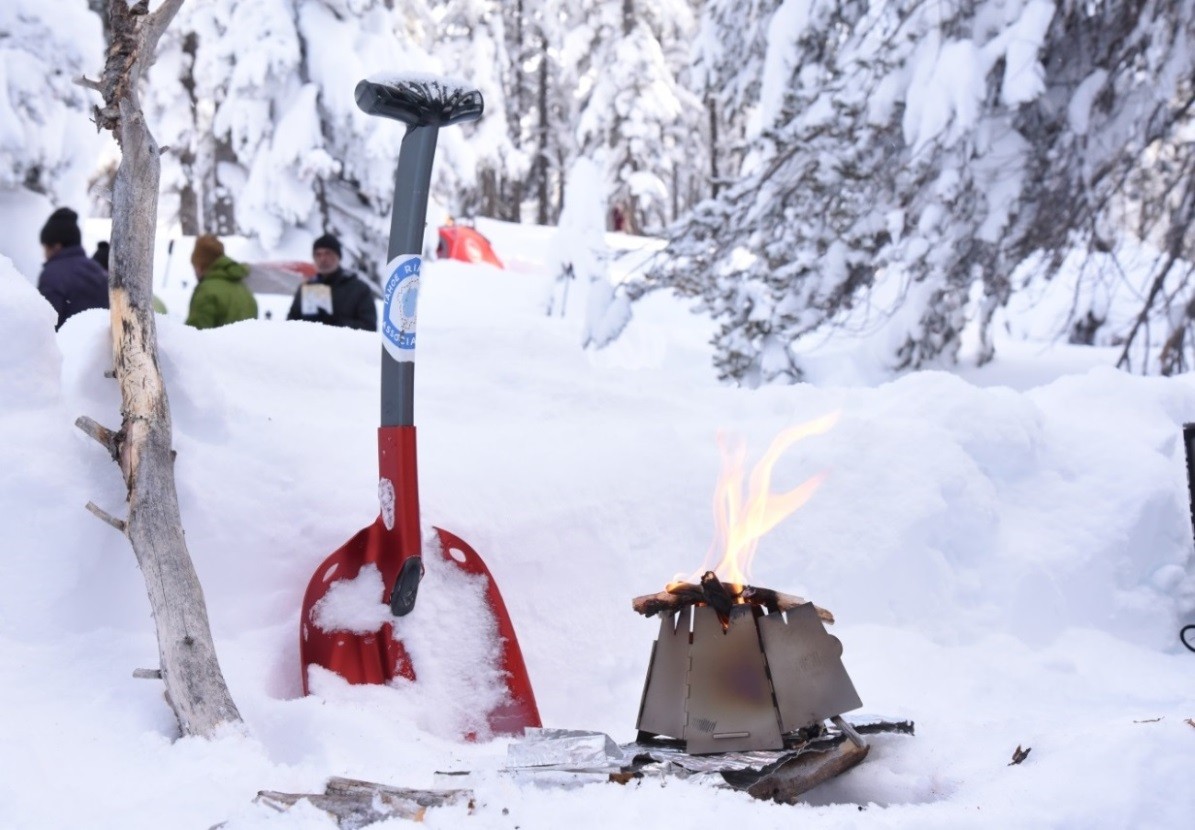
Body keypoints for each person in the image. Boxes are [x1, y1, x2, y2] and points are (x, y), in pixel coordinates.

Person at [36, 207, 109, 329]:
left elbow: (44, 326)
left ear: (56, 246)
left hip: (65, 346)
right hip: (98, 346)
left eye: (46, 247)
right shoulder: (98, 270)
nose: (44, 254)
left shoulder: (53, 275)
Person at [286, 233, 377, 330]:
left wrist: (334, 323)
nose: (323, 259)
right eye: (318, 254)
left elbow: (369, 328)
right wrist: (307, 323)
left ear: (338, 257)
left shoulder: (359, 289)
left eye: (328, 253)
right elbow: (290, 324)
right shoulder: (306, 287)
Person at [185, 234, 257, 329]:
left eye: (195, 266)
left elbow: (194, 336)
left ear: (201, 266)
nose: (195, 272)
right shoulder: (244, 290)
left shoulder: (206, 291)